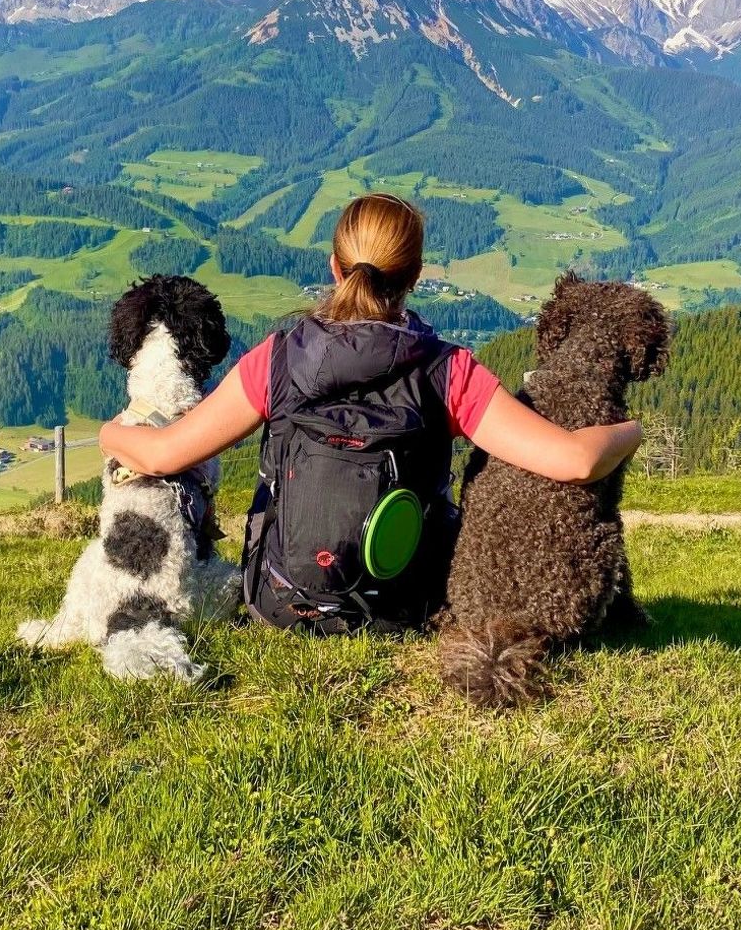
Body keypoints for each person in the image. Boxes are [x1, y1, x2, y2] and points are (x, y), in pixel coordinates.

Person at [99, 193, 644, 630]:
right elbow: (575, 461)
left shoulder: (278, 359)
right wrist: (629, 431)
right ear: (416, 275)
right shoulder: (448, 372)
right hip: (409, 603)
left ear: (334, 267)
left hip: (281, 605)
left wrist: (111, 433)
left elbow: (164, 453)